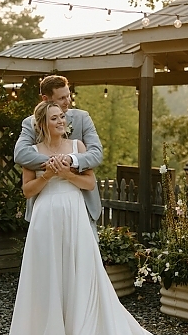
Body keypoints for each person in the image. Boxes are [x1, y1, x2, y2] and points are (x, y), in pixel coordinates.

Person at [9, 101, 153, 335]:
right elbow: (27, 191)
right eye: (54, 118)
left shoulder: (77, 146)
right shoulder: (33, 153)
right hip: (45, 216)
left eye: (62, 117)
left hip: (74, 211)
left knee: (80, 266)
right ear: (44, 123)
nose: (61, 121)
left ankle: (81, 323)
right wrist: (46, 176)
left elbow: (89, 183)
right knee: (48, 270)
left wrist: (67, 174)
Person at [14, 75, 103, 233]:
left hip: (82, 202)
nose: (67, 101)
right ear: (46, 98)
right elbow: (21, 154)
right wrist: (55, 164)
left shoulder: (83, 118)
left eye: (68, 95)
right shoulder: (31, 123)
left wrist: (71, 159)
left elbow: (96, 154)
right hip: (45, 207)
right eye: (62, 98)